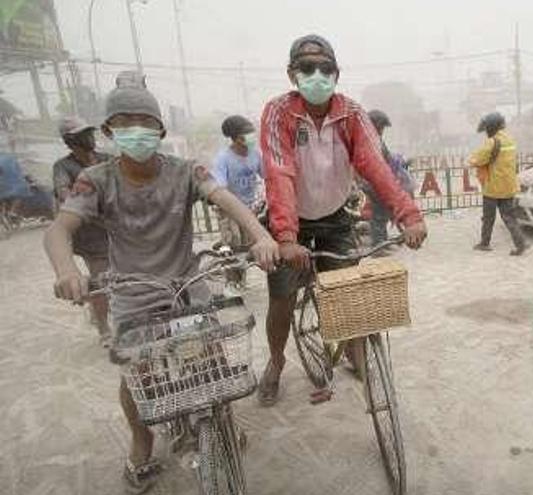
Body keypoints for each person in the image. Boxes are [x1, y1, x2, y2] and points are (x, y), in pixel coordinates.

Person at [44, 77, 279, 493]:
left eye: (145, 121)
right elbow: (60, 229)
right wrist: (66, 270)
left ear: (161, 130)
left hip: (188, 283)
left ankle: (221, 417)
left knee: (212, 355)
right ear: (109, 131)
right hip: (133, 292)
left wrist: (260, 236)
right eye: (124, 121)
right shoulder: (95, 180)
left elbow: (225, 199)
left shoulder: (185, 171)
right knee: (139, 374)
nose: (136, 129)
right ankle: (142, 440)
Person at [258, 34, 427, 405]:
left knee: (349, 290)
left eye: (325, 68)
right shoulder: (278, 112)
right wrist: (285, 237)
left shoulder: (351, 113)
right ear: (292, 74)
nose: (316, 74)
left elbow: (375, 166)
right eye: (307, 68)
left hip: (334, 214)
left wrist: (408, 214)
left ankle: (354, 350)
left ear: (336, 73)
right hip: (291, 219)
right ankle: (275, 361)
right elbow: (279, 171)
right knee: (283, 297)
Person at [52, 116, 113, 346]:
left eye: (89, 132)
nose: (90, 138)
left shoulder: (107, 159)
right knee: (100, 284)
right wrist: (88, 204)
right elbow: (64, 194)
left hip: (119, 232)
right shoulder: (63, 167)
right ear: (70, 141)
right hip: (92, 239)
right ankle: (104, 327)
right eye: (83, 135)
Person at [211, 115, 265, 288]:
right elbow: (220, 187)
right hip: (229, 210)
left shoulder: (256, 154)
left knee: (248, 246)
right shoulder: (223, 159)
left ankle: (242, 279)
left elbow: (267, 176)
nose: (251, 136)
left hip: (250, 209)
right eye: (246, 134)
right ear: (235, 138)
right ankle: (233, 283)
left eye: (251, 132)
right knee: (233, 246)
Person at [469, 112, 528, 255]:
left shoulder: (492, 142)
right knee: (509, 217)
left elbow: (477, 160)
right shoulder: (510, 139)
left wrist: (472, 159)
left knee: (488, 217)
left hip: (493, 187)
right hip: (509, 186)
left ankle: (484, 243)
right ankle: (521, 243)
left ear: (491, 127)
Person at [364, 109, 416, 247]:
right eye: (380, 127)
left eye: (383, 128)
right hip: (373, 183)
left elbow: (388, 159)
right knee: (379, 213)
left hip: (378, 182)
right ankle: (378, 244)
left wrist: (401, 162)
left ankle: (381, 242)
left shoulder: (376, 139)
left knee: (382, 212)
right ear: (373, 125)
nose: (382, 130)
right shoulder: (368, 140)